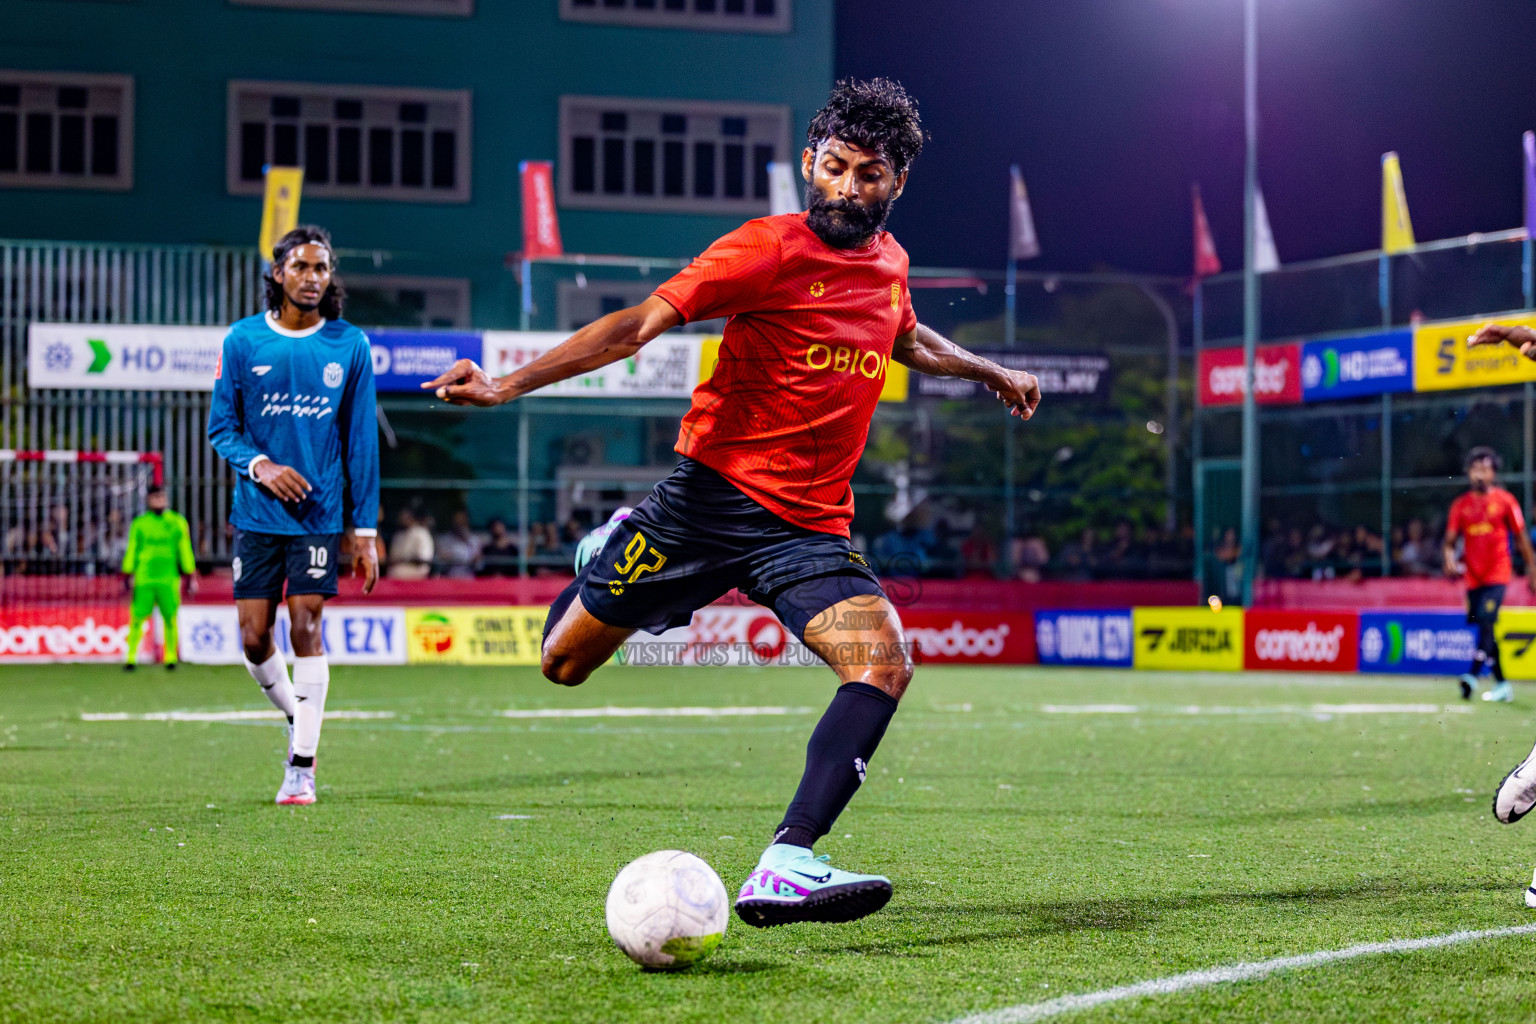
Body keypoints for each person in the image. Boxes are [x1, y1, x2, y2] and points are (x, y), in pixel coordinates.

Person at [423, 78, 1040, 927]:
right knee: (561, 663)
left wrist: (988, 370)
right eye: (834, 168)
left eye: (869, 175)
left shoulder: (890, 264)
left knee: (884, 663)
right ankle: (613, 548)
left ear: (897, 184)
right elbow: (638, 325)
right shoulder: (768, 248)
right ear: (807, 165)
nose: (849, 189)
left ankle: (788, 860)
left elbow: (904, 334)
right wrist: (507, 385)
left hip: (809, 528)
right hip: (705, 505)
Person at [207, 225, 380, 806]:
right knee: (254, 639)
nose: (312, 277)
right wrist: (261, 465)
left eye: (322, 268)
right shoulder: (242, 341)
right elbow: (220, 429)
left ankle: (301, 766)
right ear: (278, 272)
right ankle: (298, 715)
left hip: (318, 516)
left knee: (306, 625)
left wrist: (366, 530)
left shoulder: (348, 345)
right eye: (301, 266)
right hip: (256, 514)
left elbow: (361, 444)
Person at [1442, 446, 1534, 702]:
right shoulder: (1460, 506)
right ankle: (1503, 684)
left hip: (1498, 574)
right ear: (1468, 473)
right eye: (1474, 469)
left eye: (1484, 469)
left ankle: (1471, 676)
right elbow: (1449, 542)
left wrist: (1532, 569)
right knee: (1486, 629)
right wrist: (1449, 559)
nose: (1479, 474)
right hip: (1472, 577)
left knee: (1486, 622)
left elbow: (1521, 538)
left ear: (1493, 472)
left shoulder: (1506, 501)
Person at [121, 485, 197, 670]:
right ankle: (131, 657)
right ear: (149, 500)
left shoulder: (177, 522)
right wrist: (127, 572)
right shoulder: (140, 523)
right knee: (137, 618)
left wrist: (190, 574)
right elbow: (132, 549)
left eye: (162, 498)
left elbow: (185, 550)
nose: (159, 501)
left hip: (169, 578)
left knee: (170, 618)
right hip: (144, 577)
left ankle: (170, 657)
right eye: (155, 498)